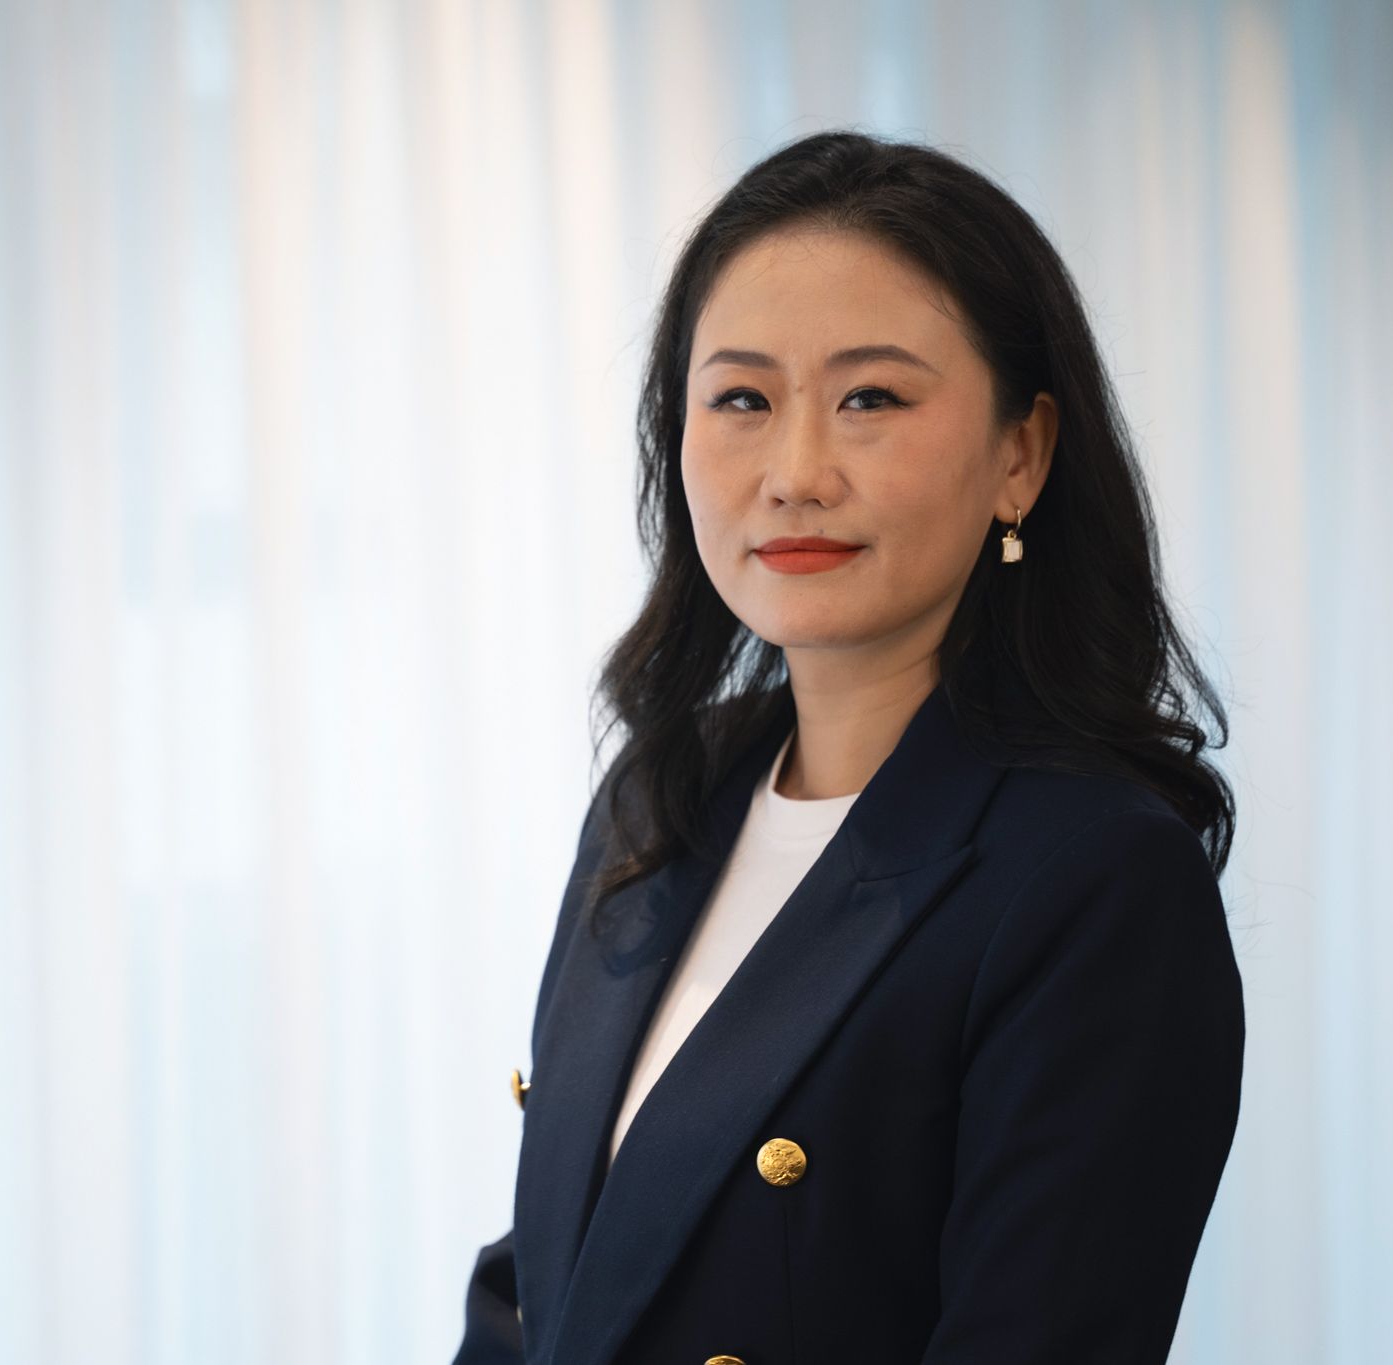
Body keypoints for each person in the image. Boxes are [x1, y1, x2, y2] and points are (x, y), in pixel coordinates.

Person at [451, 130, 1246, 1365]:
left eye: (870, 397)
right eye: (740, 400)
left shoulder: (1089, 879)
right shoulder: (659, 796)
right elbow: (543, 1294)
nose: (795, 471)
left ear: (1019, 455)